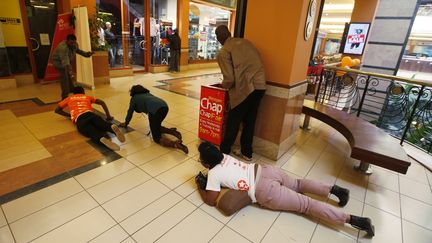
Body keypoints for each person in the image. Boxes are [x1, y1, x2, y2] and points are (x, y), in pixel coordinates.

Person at [195, 142, 375, 237]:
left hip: (264, 190)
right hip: (266, 169)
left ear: (206, 163)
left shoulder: (214, 174)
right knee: (298, 184)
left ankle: (355, 220)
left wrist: (201, 187)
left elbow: (211, 201)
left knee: (306, 205)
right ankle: (336, 190)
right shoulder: (225, 155)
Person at [215, 25, 266, 161]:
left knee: (233, 121)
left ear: (218, 38)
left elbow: (229, 79)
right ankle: (247, 153)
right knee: (250, 121)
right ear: (230, 33)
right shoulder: (246, 42)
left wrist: (223, 85)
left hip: (245, 89)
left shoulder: (223, 51)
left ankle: (224, 152)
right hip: (260, 85)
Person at [119, 85, 189, 154]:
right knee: (156, 126)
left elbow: (130, 112)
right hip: (164, 106)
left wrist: (126, 123)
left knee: (156, 137)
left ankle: (175, 144)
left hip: (154, 111)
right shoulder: (147, 94)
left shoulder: (134, 98)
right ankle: (172, 132)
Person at [55, 86, 125, 151]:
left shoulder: (69, 98)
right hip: (90, 114)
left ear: (73, 94)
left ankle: (100, 139)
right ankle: (111, 127)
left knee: (90, 131)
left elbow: (57, 110)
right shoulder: (86, 97)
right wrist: (108, 116)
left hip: (79, 118)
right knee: (102, 124)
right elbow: (101, 102)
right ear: (83, 92)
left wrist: (69, 115)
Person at [51, 34, 93, 99]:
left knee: (69, 77)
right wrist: (70, 71)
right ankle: (64, 97)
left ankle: (72, 90)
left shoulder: (74, 44)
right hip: (59, 63)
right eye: (71, 42)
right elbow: (65, 61)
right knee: (65, 78)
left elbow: (78, 51)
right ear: (67, 41)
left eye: (74, 42)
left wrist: (87, 54)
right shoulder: (63, 47)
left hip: (67, 61)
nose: (73, 44)